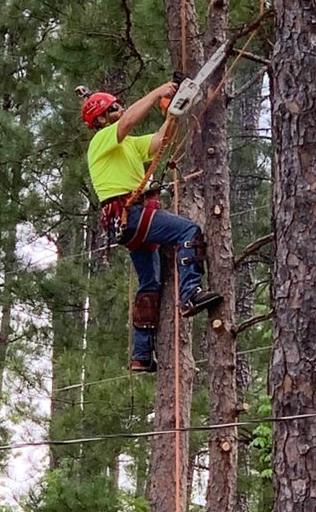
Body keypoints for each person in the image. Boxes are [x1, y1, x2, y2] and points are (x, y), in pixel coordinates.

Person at [82, 82, 223, 373]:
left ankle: (142, 354)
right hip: (130, 213)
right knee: (189, 231)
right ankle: (190, 293)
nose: (121, 110)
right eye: (115, 108)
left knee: (150, 283)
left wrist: (173, 113)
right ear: (101, 119)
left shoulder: (129, 145)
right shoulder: (102, 140)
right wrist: (158, 91)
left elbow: (160, 140)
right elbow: (128, 121)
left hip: (130, 218)